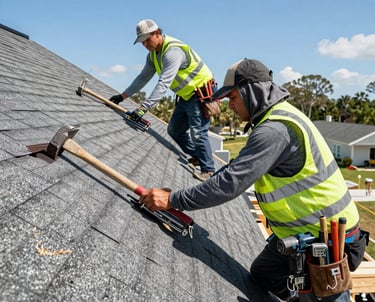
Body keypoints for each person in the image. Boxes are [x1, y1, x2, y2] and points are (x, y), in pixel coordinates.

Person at [138, 58, 365, 301]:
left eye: (233, 98)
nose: (229, 105)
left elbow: (229, 184)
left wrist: (173, 199)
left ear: (251, 92)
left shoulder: (274, 131)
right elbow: (237, 168)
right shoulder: (277, 117)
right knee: (263, 274)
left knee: (320, 294)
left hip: (326, 242)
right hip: (301, 232)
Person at [109, 19, 216, 182]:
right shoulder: (152, 56)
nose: (145, 44)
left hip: (201, 93)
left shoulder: (172, 52)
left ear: (157, 33)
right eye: (141, 42)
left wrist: (143, 108)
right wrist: (122, 96)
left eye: (147, 39)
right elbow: (143, 77)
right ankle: (197, 156)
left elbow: (163, 84)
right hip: (186, 95)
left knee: (198, 132)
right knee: (174, 130)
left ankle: (208, 170)